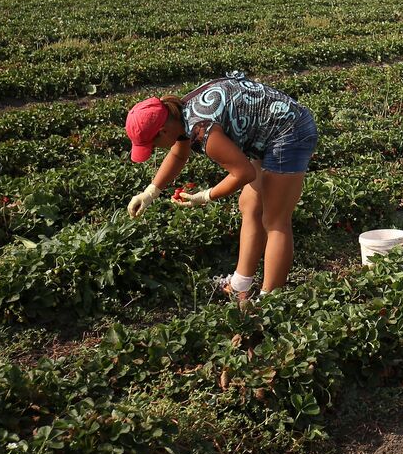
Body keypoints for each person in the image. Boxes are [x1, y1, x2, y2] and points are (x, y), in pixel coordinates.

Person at [124, 71, 319, 302]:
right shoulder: (180, 113)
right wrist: (150, 192)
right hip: (268, 130)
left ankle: (270, 302)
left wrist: (206, 196)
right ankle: (240, 284)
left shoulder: (201, 128)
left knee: (275, 219)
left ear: (163, 131)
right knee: (249, 204)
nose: (155, 149)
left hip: (289, 131)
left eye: (153, 144)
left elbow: (243, 172)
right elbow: (178, 154)